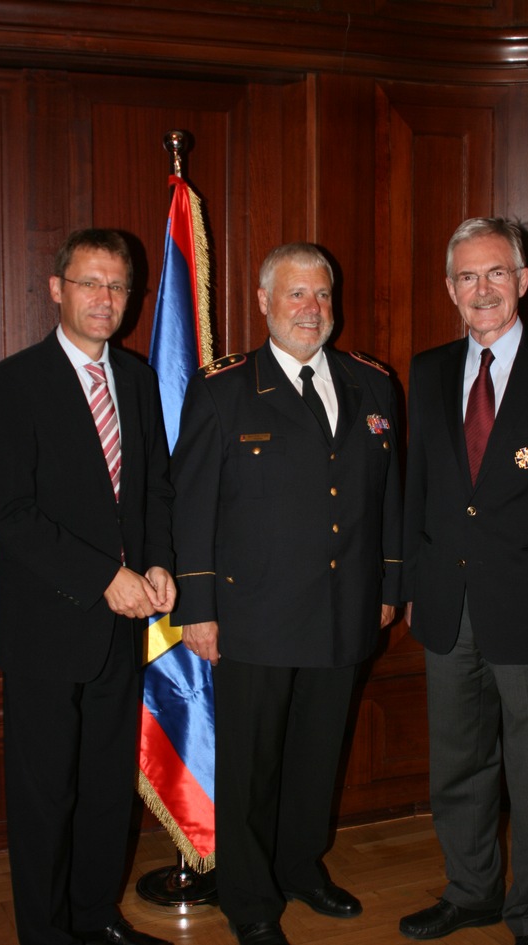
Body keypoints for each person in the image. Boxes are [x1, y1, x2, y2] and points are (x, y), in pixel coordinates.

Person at [169, 242, 402, 945]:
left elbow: (389, 493)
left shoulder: (372, 383)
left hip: (344, 609)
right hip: (255, 616)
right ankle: (249, 898)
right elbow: (192, 505)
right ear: (264, 302)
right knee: (252, 764)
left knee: (316, 753)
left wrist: (389, 583)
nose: (311, 308)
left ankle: (302, 866)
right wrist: (199, 608)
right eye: (296, 294)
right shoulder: (224, 387)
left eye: (322, 294)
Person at [399, 217, 528, 945]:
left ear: (524, 280)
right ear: (450, 289)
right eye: (466, 276)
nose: (481, 289)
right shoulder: (426, 372)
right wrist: (414, 581)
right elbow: (415, 490)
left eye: (495, 274)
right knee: (458, 764)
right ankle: (472, 889)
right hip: (447, 607)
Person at [0, 229, 177, 945]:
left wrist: (155, 562)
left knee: (100, 792)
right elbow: (10, 513)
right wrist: (105, 577)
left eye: (117, 286)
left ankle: (96, 918)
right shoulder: (11, 382)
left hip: (119, 632)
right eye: (90, 282)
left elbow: (152, 487)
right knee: (42, 797)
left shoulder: (139, 378)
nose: (105, 298)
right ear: (57, 288)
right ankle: (47, 932)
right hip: (46, 629)